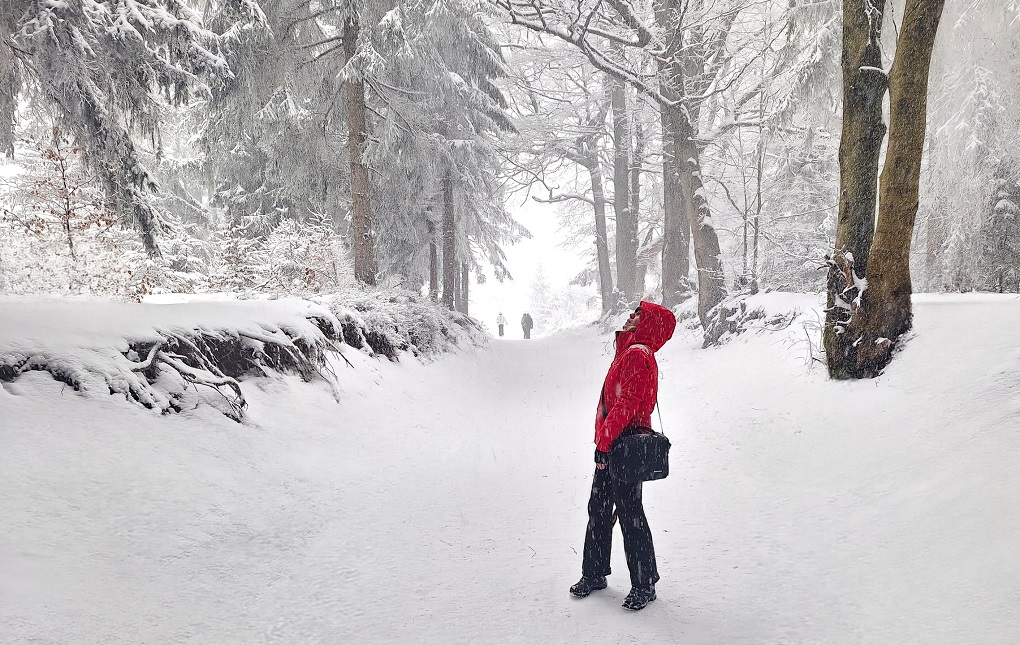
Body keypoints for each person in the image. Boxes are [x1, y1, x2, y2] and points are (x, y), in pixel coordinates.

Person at [569, 301, 676, 611]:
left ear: (649, 324)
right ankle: (594, 574)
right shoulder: (629, 352)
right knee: (600, 509)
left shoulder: (637, 355)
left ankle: (644, 585)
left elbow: (627, 404)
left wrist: (604, 443)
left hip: (623, 446)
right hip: (616, 442)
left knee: (629, 514)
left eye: (639, 314)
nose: (631, 315)